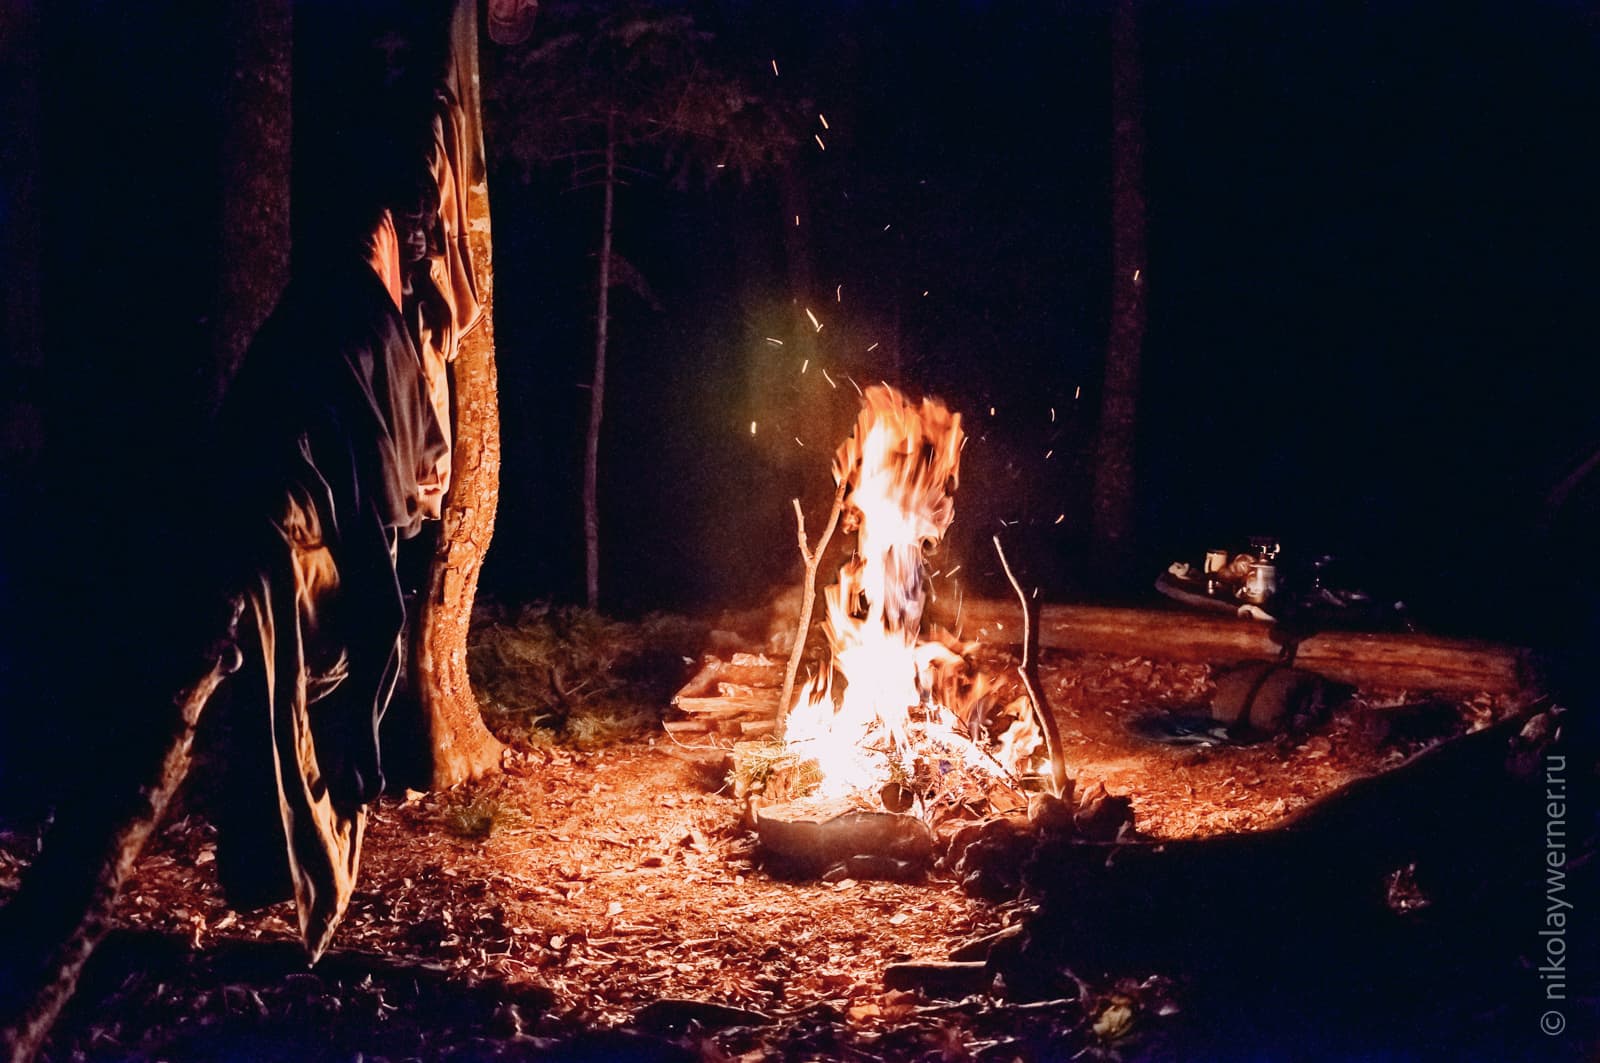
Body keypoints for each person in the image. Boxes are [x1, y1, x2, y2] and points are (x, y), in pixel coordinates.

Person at [207, 172, 448, 960]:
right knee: (311, 698)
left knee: (276, 705)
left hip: (242, 522)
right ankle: (308, 864)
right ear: (379, 250)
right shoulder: (366, 324)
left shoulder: (307, 309)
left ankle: (270, 867)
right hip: (286, 533)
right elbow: (388, 476)